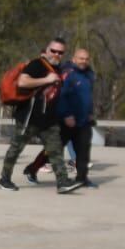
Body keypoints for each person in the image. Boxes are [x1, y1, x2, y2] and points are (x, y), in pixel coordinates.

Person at [0, 39, 81, 193]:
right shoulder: (37, 65)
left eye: (60, 52)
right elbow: (22, 82)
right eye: (53, 51)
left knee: (56, 150)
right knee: (15, 149)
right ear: (47, 50)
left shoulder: (59, 69)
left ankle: (62, 182)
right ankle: (4, 179)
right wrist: (46, 79)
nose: (56, 54)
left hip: (49, 120)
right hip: (28, 118)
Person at [27, 48, 98, 189]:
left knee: (83, 151)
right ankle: (32, 169)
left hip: (83, 121)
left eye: (86, 59)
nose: (84, 61)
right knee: (53, 150)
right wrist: (66, 115)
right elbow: (61, 96)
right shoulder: (67, 74)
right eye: (81, 58)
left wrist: (90, 113)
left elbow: (88, 97)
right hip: (66, 121)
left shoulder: (90, 75)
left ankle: (82, 178)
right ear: (74, 59)